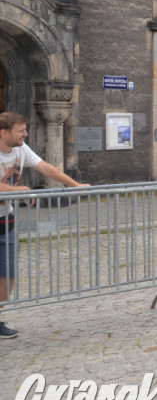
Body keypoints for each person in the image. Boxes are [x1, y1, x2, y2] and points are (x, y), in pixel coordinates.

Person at [0, 112, 89, 339]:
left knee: (7, 275)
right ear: (4, 133)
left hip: (5, 221)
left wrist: (74, 185)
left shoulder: (21, 149)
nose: (25, 134)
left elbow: (47, 168)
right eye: (21, 130)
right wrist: (24, 190)